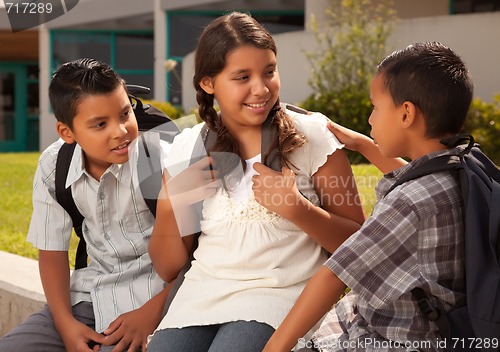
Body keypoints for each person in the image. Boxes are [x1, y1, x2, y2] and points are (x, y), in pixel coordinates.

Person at [146, 11, 366, 352]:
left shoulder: (313, 137)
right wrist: (168, 202)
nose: (261, 89)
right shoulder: (185, 148)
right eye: (242, 77)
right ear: (208, 83)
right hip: (202, 294)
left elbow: (359, 247)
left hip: (281, 293)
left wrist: (298, 210)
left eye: (269, 72)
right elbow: (169, 266)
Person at [263, 41, 474, 352]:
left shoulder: (409, 203)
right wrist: (363, 144)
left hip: (396, 336)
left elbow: (334, 275)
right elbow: (417, 173)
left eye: (375, 107)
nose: (371, 119)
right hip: (441, 324)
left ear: (406, 114)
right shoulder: (460, 166)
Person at [0, 58, 173, 352]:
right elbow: (51, 252)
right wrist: (65, 324)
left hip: (159, 301)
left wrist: (151, 314)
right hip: (91, 296)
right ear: (67, 132)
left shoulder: (160, 159)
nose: (120, 131)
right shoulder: (55, 166)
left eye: (124, 114)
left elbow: (198, 253)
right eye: (100, 124)